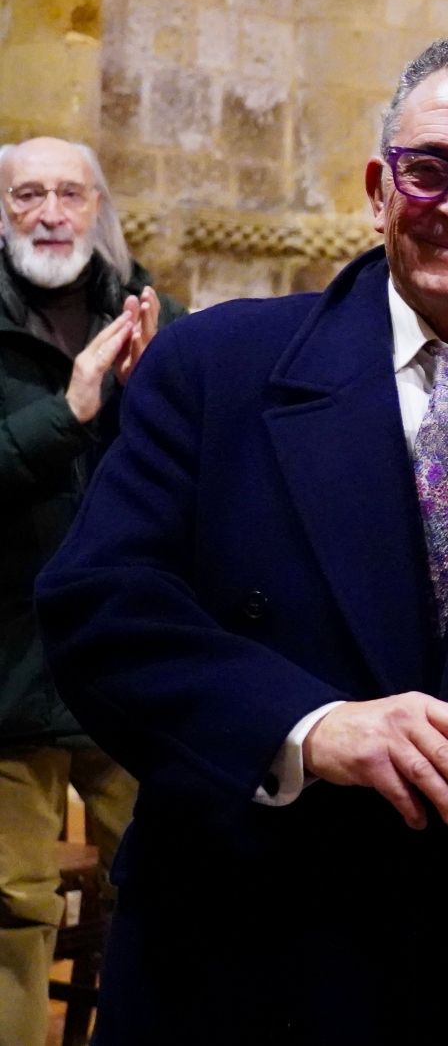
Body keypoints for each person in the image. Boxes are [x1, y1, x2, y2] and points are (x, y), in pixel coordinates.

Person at [35, 34, 448, 1043]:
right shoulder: (221, 365)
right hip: (261, 950)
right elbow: (101, 606)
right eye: (430, 167)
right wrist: (310, 724)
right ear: (380, 188)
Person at [0, 136, 178, 1045]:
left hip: (127, 662)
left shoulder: (156, 315)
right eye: (27, 193)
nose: (50, 212)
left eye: (69, 192)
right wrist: (67, 410)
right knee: (11, 915)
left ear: (100, 204)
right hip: (7, 672)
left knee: (175, 893)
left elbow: (199, 479)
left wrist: (150, 402)